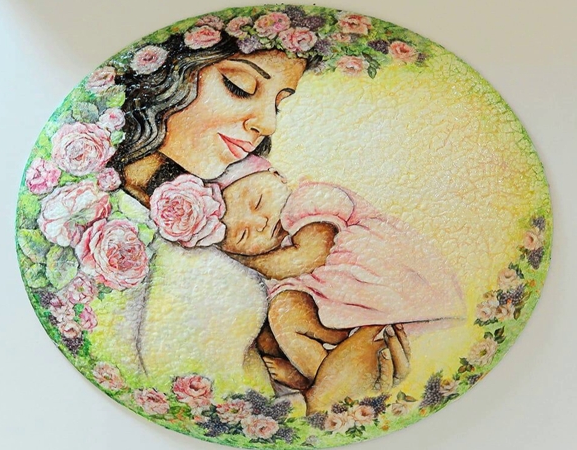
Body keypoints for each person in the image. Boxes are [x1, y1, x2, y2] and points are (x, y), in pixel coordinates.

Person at [106, 32, 411, 410]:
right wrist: (325, 399)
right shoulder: (110, 233)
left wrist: (337, 373)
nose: (268, 124)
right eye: (240, 86)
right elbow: (185, 404)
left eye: (279, 104)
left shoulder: (218, 205)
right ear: (166, 78)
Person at [217, 158, 464, 412]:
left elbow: (309, 257)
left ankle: (325, 384)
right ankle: (319, 380)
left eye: (258, 202)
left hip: (377, 282)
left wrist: (248, 260)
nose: (260, 223)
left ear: (277, 176)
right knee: (282, 316)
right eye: (243, 235)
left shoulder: (307, 199)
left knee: (286, 310)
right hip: (337, 305)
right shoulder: (277, 272)